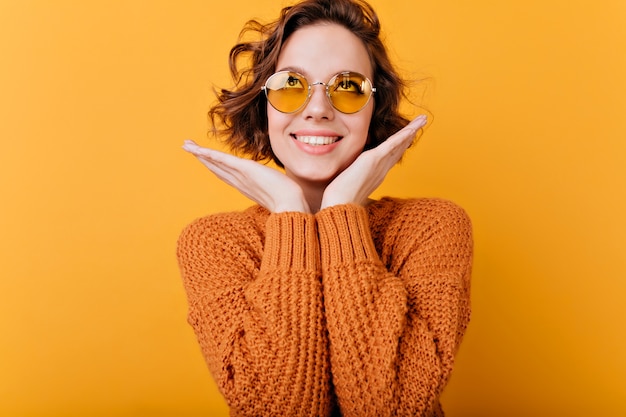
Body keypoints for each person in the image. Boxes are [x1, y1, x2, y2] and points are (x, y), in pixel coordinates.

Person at [176, 0, 473, 415]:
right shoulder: (215, 244)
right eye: (290, 85)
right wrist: (289, 215)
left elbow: (391, 408)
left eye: (348, 87)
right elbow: (278, 409)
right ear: (263, 106)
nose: (317, 108)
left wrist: (340, 213)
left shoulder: (432, 228)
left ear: (375, 108)